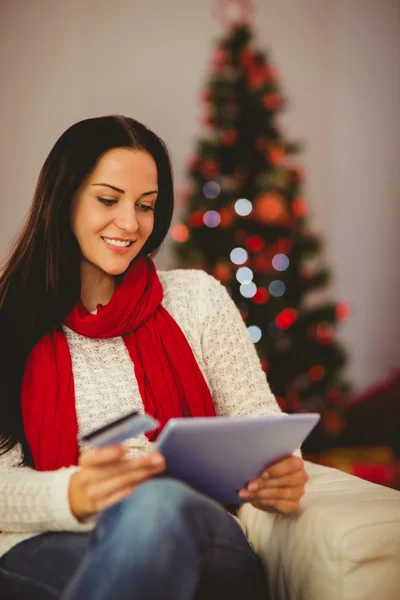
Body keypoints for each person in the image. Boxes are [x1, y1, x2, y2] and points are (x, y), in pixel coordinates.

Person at [0, 115, 308, 600]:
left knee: (157, 502)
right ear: (62, 201)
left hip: (201, 533)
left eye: (146, 206)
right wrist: (77, 492)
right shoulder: (9, 321)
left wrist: (281, 469)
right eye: (108, 200)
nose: (130, 223)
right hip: (52, 545)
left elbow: (260, 424)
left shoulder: (198, 299)